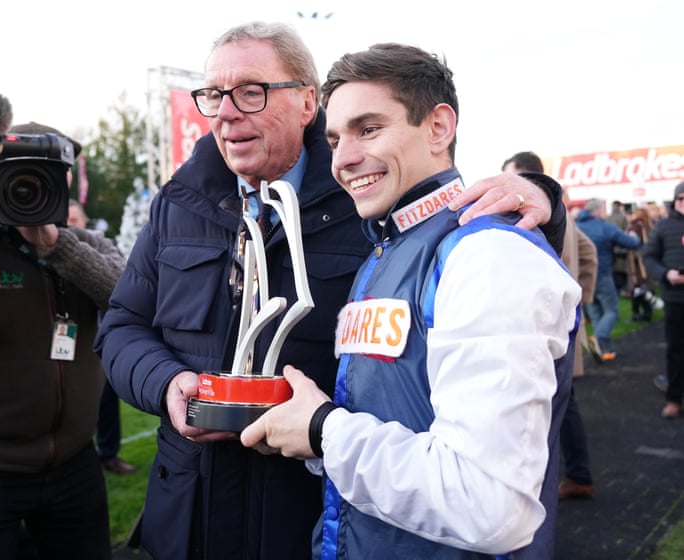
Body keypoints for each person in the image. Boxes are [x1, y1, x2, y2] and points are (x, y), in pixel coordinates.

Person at [94, 22, 567, 560]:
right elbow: (121, 326)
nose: (226, 112)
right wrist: (165, 382)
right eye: (213, 95)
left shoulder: (368, 201)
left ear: (306, 102)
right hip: (193, 505)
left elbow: (460, 228)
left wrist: (540, 201)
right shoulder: (178, 203)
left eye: (250, 92)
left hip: (312, 510)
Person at [241, 43, 581, 559]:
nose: (343, 159)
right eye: (335, 139)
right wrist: (312, 425)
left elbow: (489, 505)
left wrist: (322, 429)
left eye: (368, 129)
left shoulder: (487, 254)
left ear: (439, 128)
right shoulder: (387, 245)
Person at [0, 110, 121, 558]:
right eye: (21, 177)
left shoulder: (86, 244)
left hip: (74, 463)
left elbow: (130, 299)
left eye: (48, 176)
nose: (32, 187)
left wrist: (56, 245)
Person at [503, 151, 597, 499]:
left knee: (554, 407)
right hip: (561, 321)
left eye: (508, 175)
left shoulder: (530, 211)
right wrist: (581, 296)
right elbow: (589, 253)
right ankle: (576, 474)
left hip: (541, 324)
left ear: (524, 176)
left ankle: (571, 477)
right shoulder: (562, 213)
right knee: (562, 402)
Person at [67, 199, 136, 474]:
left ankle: (108, 454)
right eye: (66, 219)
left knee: (106, 401)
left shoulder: (95, 245)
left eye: (74, 220)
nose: (70, 225)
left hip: (97, 344)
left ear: (85, 221)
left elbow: (122, 290)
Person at [576, 198, 641, 361]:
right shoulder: (605, 227)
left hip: (583, 277)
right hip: (602, 274)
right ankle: (598, 338)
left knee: (596, 314)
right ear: (599, 211)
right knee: (612, 311)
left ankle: (605, 350)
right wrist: (634, 236)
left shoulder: (575, 227)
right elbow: (631, 243)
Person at [642, 181, 684, 419]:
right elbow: (649, 257)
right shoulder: (663, 226)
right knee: (675, 350)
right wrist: (666, 275)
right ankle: (674, 399)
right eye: (681, 199)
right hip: (675, 298)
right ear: (675, 200)